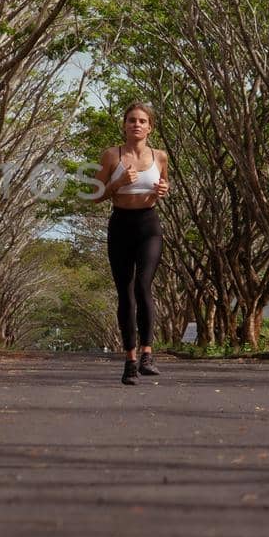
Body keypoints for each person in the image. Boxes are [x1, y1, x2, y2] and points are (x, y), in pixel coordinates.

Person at [91, 101, 169, 384]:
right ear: (124, 125)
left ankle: (148, 354)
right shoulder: (112, 155)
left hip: (149, 225)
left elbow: (161, 187)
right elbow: (94, 195)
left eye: (142, 121)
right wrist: (118, 182)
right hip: (120, 225)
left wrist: (163, 190)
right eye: (131, 120)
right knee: (125, 291)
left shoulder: (160, 157)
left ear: (150, 127)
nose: (136, 124)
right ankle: (130, 360)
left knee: (142, 285)